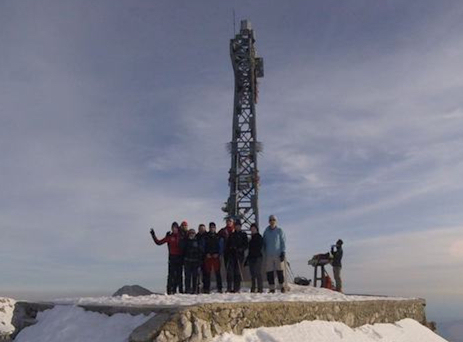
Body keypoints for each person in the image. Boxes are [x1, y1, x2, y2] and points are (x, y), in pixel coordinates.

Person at [150, 222, 183, 294]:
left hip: (180, 258)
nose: (174, 229)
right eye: (173, 228)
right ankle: (169, 291)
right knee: (171, 275)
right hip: (172, 258)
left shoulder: (181, 236)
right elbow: (158, 242)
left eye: (176, 228)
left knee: (179, 276)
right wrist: (153, 235)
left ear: (178, 228)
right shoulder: (169, 237)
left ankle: (179, 291)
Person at [262, 215, 286, 293]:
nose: (272, 221)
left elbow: (283, 242)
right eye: (271, 220)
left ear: (276, 221)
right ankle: (272, 288)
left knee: (280, 271)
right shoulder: (266, 231)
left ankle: (282, 287)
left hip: (278, 254)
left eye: (274, 220)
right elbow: (264, 243)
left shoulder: (280, 231)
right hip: (269, 254)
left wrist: (283, 252)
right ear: (269, 221)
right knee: (269, 272)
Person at [225, 219, 248, 293]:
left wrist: (241, 249)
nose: (237, 227)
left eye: (239, 226)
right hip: (232, 255)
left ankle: (236, 288)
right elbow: (228, 245)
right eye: (236, 226)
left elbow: (246, 245)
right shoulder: (232, 234)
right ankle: (229, 287)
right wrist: (231, 248)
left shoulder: (243, 234)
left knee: (237, 272)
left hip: (239, 255)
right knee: (230, 272)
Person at [203, 222, 223, 293]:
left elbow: (221, 246)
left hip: (215, 256)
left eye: (213, 227)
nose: (212, 228)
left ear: (215, 228)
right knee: (207, 273)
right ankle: (206, 288)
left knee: (217, 273)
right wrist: (206, 254)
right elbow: (203, 246)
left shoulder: (218, 236)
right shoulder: (206, 236)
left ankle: (219, 288)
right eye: (211, 227)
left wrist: (218, 254)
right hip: (208, 256)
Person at [183, 229, 202, 294]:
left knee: (195, 277)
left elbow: (200, 251)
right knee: (187, 277)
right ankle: (187, 290)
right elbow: (182, 250)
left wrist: (199, 261)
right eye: (190, 233)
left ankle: (195, 290)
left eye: (193, 233)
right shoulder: (185, 241)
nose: (192, 234)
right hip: (187, 261)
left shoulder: (197, 241)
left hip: (195, 261)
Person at [247, 223, 263, 293]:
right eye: (251, 229)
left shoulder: (259, 237)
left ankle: (260, 288)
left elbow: (259, 247)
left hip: (258, 257)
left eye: (254, 229)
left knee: (257, 273)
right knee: (252, 274)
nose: (252, 230)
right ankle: (253, 287)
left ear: (256, 229)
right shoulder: (251, 238)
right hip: (251, 258)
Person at [196, 224, 208, 292]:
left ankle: (206, 288)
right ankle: (197, 288)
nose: (201, 230)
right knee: (197, 274)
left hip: (206, 256)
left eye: (203, 229)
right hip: (198, 257)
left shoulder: (207, 236)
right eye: (200, 229)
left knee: (206, 273)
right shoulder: (196, 236)